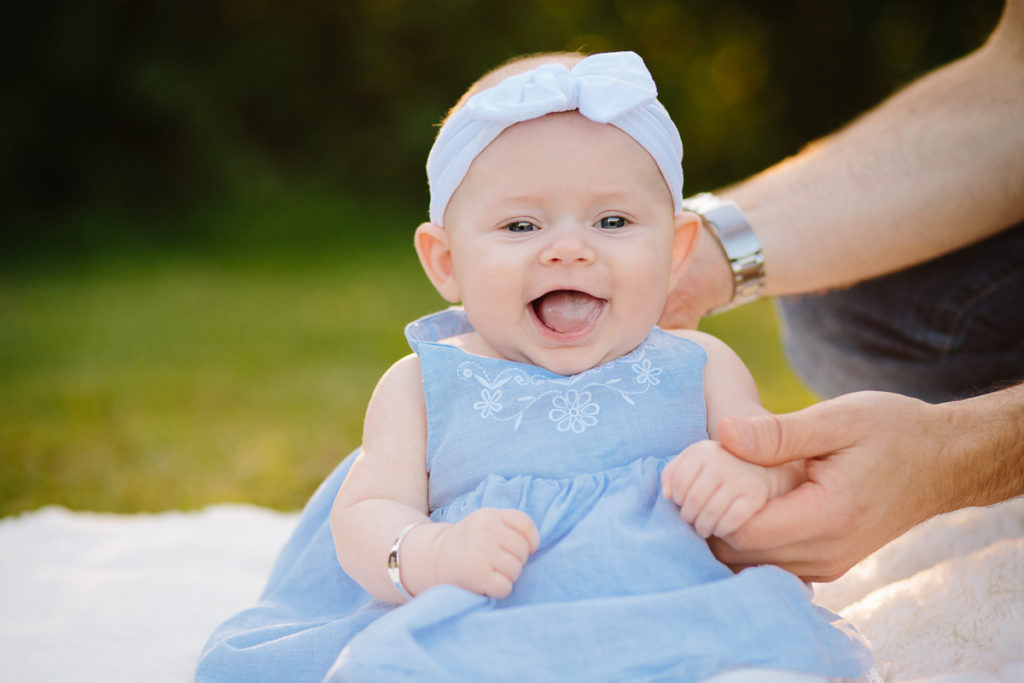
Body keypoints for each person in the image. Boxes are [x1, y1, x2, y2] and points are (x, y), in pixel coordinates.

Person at [197, 52, 875, 682]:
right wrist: (435, 552)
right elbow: (366, 514)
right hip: (482, 621)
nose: (569, 250)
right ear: (446, 262)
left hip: (678, 611)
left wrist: (747, 477)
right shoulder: (423, 386)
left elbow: (773, 458)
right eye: (522, 226)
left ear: (676, 248)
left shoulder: (701, 365)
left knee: (769, 651)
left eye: (612, 221)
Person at [661, 0, 1024, 582]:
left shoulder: (703, 365)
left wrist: (960, 453)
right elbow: (1016, 74)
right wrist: (704, 254)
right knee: (829, 299)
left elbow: (754, 447)